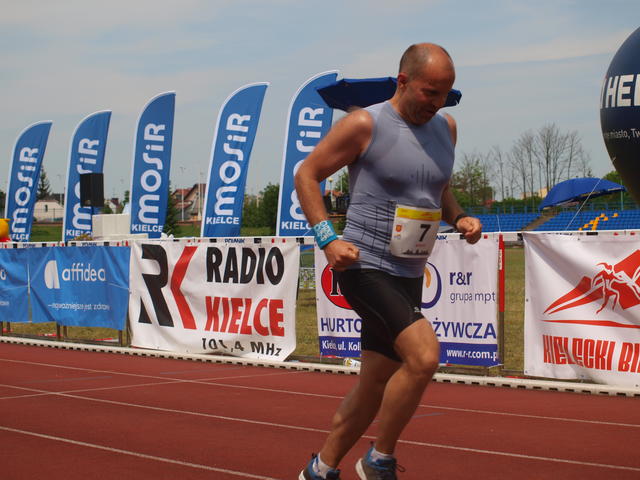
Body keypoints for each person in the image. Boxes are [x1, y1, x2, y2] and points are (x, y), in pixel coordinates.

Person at [295, 43, 483, 480]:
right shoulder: (365, 123)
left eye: (445, 94)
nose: (436, 103)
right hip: (365, 265)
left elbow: (437, 187)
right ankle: (378, 461)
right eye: (429, 92)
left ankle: (320, 469)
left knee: (375, 382)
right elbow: (306, 174)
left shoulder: (446, 128)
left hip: (409, 270)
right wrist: (327, 239)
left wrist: (459, 217)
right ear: (403, 81)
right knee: (424, 357)